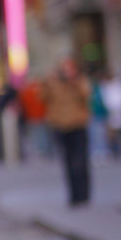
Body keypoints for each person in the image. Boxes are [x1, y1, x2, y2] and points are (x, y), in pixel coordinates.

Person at [42, 56, 92, 205]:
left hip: (78, 125)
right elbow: (43, 98)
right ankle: (74, 195)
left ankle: (84, 194)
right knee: (68, 162)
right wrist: (49, 81)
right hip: (60, 125)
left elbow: (86, 96)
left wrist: (74, 81)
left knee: (80, 161)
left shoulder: (80, 81)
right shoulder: (54, 83)